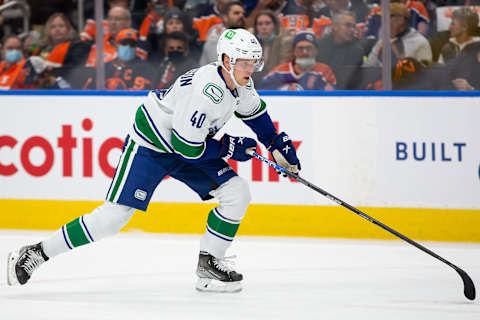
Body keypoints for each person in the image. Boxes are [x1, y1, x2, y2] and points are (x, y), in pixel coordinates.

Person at [7, 28, 301, 293]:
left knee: (237, 192)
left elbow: (254, 114)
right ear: (226, 60)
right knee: (112, 219)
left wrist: (275, 141)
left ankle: (210, 263)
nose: (251, 69)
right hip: (152, 145)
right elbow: (187, 147)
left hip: (189, 143)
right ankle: (36, 252)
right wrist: (229, 146)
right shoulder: (205, 91)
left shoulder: (240, 81)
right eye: (245, 62)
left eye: (254, 63)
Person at [260, 30, 337, 90]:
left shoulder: (323, 71)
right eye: (300, 48)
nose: (305, 52)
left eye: (309, 48)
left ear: (316, 51)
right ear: (294, 51)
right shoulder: (279, 71)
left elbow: (328, 97)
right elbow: (264, 92)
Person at [363, 3, 432, 68]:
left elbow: (424, 75)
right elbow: (367, 68)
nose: (382, 23)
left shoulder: (420, 43)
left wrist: (397, 60)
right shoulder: (383, 41)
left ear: (400, 20)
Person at [316, 11, 365, 89]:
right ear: (335, 26)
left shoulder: (358, 50)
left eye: (353, 26)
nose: (352, 30)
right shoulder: (318, 46)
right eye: (348, 25)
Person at [199, 1, 246, 65]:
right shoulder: (216, 35)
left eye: (243, 14)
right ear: (225, 18)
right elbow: (219, 65)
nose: (241, 16)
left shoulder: (244, 35)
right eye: (236, 13)